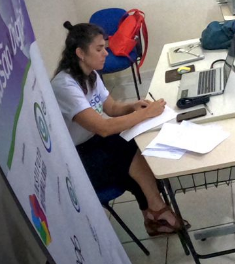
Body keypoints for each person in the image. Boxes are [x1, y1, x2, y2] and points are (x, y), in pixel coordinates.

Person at [51, 22, 184, 236]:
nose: (106, 53)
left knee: (136, 144)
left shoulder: (91, 74)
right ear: (80, 53)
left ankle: (153, 215)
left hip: (92, 141)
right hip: (75, 158)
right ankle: (157, 210)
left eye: (105, 47)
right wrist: (144, 114)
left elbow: (111, 108)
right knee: (129, 152)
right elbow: (103, 127)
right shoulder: (65, 86)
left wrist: (133, 106)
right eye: (99, 49)